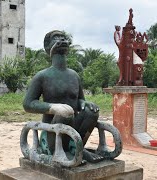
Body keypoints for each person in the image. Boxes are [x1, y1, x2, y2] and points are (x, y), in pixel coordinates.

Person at [23, 30, 104, 163]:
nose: (61, 40)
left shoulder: (74, 75)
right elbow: (28, 103)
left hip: (73, 127)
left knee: (91, 112)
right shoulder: (42, 76)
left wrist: (85, 103)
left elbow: (79, 100)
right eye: (56, 38)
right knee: (65, 112)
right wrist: (52, 107)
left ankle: (77, 148)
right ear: (48, 47)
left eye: (63, 37)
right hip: (52, 130)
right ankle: (62, 151)